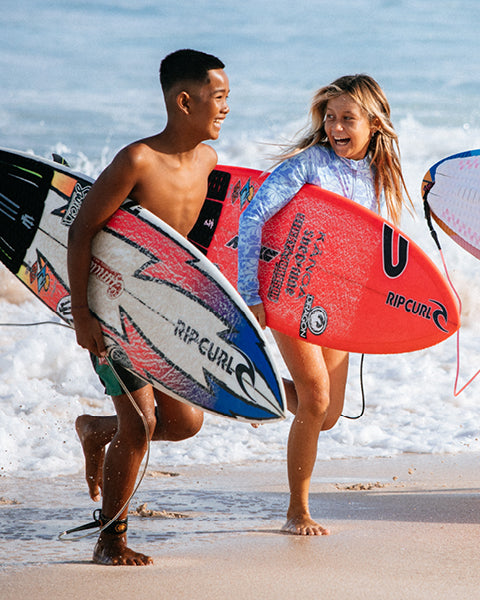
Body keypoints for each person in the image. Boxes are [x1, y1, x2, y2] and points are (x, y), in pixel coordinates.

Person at [68, 48, 230, 566]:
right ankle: (110, 541)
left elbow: (191, 248)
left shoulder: (208, 161)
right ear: (185, 101)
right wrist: (82, 314)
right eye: (219, 97)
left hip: (161, 312)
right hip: (111, 310)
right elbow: (81, 231)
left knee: (183, 422)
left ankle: (96, 430)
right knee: (140, 424)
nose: (226, 107)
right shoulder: (137, 161)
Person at [237, 74, 412, 536]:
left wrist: (375, 310)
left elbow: (372, 248)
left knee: (328, 414)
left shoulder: (380, 175)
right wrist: (251, 294)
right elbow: (252, 216)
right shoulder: (310, 164)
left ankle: (245, 384)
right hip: (289, 288)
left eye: (347, 118)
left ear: (374, 123)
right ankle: (297, 511)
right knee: (314, 399)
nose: (335, 127)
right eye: (330, 117)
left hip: (336, 299)